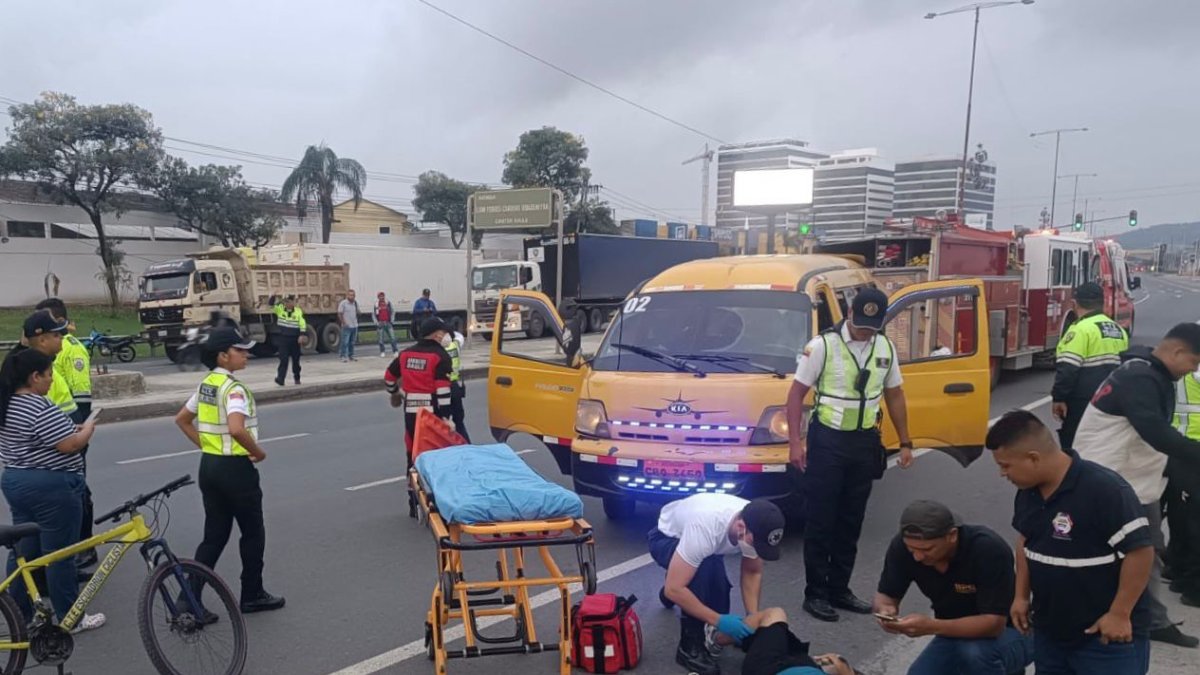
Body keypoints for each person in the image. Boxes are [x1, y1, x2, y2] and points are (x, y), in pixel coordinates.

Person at [987, 410, 1153, 674]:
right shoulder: (1027, 493)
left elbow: (1140, 551)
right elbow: (1026, 540)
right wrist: (1020, 596)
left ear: (1033, 458)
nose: (1002, 474)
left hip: (1103, 637)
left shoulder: (1105, 490)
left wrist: (1120, 614)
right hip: (1051, 633)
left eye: (1005, 465)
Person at [785, 287, 915, 623]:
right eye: (860, 324)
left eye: (872, 326)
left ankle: (839, 589)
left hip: (863, 442)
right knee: (821, 519)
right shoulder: (823, 346)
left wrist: (905, 441)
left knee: (851, 520)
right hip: (827, 441)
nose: (865, 332)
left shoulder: (885, 347)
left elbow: (895, 395)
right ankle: (815, 593)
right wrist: (796, 443)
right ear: (849, 315)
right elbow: (796, 394)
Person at [1072, 322, 1200, 648]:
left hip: (1134, 479)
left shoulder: (1151, 373)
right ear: (1177, 351)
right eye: (1194, 363)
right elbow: (1154, 430)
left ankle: (1147, 618)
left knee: (1147, 551)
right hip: (1111, 480)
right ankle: (1110, 617)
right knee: (1116, 552)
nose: (1192, 371)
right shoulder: (1140, 377)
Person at [174, 327, 285, 614]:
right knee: (252, 532)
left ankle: (188, 599)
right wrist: (258, 452)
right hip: (235, 469)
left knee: (214, 535)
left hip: (209, 466)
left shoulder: (207, 385)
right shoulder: (234, 389)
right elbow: (236, 428)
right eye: (240, 350)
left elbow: (183, 419)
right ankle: (252, 593)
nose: (246, 354)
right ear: (223, 356)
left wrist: (209, 446)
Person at [0, 343, 104, 632]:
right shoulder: (37, 405)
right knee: (60, 554)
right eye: (48, 375)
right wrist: (87, 430)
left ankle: (18, 614)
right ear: (34, 377)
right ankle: (71, 617)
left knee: (25, 551)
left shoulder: (7, 402)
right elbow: (69, 445)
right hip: (51, 486)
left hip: (16, 480)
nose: (51, 380)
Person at [873, 499, 1033, 674]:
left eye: (927, 549)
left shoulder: (987, 549)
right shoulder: (902, 548)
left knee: (975, 655)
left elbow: (994, 625)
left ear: (952, 536)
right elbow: (886, 595)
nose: (918, 556)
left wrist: (931, 626)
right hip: (953, 633)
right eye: (912, 550)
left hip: (1012, 631)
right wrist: (886, 611)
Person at [646, 493, 786, 675]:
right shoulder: (705, 528)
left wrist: (752, 619)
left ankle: (679, 578)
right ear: (741, 527)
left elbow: (752, 571)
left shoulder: (756, 521)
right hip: (665, 537)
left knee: (718, 594)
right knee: (700, 574)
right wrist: (718, 620)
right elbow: (675, 589)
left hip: (702, 546)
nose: (757, 549)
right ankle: (689, 647)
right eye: (756, 544)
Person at [33, 298, 97, 572]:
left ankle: (85, 546)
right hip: (50, 431)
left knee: (78, 489)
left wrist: (79, 432)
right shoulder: (40, 354)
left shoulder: (72, 349)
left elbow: (82, 395)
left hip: (70, 428)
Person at [384, 317, 454, 517]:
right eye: (443, 332)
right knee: (435, 458)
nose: (445, 335)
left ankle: (413, 501)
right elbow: (442, 392)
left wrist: (396, 393)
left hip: (411, 414)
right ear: (437, 334)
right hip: (432, 417)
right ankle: (435, 503)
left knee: (412, 456)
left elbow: (389, 378)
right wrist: (447, 418)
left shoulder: (406, 354)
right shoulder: (440, 356)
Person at [1051, 282, 1128, 449]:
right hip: (1112, 400)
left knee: (1075, 445)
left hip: (1083, 401)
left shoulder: (1080, 330)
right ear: (1102, 303)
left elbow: (1068, 369)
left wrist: (1059, 398)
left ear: (1075, 303)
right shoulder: (1118, 329)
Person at [1166, 365, 1200, 607]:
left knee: (1182, 514)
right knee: (1193, 520)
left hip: (1178, 446)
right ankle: (1194, 586)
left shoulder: (1182, 361)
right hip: (1193, 447)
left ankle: (1178, 571)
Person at [737, 607, 857, 675]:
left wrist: (718, 620)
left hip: (771, 667)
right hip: (791, 662)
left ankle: (721, 639)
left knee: (775, 614)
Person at [271, 295, 306, 386]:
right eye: (286, 302)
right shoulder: (280, 309)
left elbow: (302, 323)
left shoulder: (298, 311)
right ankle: (280, 379)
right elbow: (271, 305)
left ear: (294, 302)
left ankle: (297, 377)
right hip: (283, 338)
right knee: (283, 359)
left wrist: (302, 335)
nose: (288, 303)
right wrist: (273, 296)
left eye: (290, 301)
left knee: (296, 360)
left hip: (295, 339)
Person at [444, 328, 470, 441]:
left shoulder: (438, 349)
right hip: (455, 387)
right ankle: (466, 445)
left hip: (442, 388)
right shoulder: (455, 345)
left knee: (444, 421)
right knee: (459, 421)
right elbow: (459, 336)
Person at [373, 291, 399, 357]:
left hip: (388, 323)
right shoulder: (376, 304)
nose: (381, 297)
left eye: (382, 296)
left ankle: (395, 351)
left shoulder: (388, 303)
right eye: (380, 296)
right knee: (381, 339)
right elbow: (374, 314)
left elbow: (393, 311)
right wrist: (376, 323)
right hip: (380, 323)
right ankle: (382, 351)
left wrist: (392, 320)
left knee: (392, 338)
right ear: (378, 297)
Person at [338, 289, 360, 362]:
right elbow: (340, 313)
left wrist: (358, 312)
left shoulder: (355, 303)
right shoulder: (343, 303)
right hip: (347, 326)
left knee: (352, 342)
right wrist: (344, 323)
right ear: (347, 295)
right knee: (345, 342)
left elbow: (358, 312)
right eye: (350, 295)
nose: (352, 296)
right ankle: (343, 356)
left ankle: (351, 355)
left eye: (353, 295)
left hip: (354, 325)